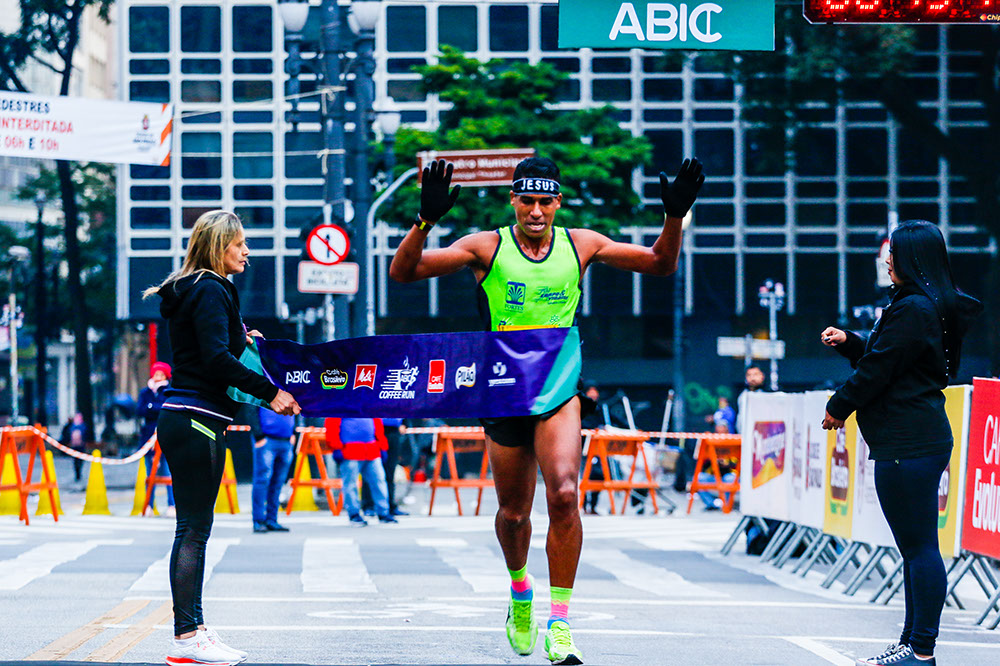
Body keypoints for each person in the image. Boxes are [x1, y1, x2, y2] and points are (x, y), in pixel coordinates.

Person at [390, 155, 703, 665]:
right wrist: (424, 222)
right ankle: (520, 593)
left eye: (546, 201)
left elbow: (660, 264)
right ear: (513, 200)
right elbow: (404, 273)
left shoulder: (581, 244)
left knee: (563, 494)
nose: (536, 211)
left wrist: (674, 216)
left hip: (558, 388)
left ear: (558, 202)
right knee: (514, 515)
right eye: (527, 201)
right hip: (503, 391)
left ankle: (559, 622)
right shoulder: (486, 246)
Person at [143, 209, 300, 666]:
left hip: (186, 417)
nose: (247, 251)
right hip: (195, 417)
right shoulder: (213, 287)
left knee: (192, 529)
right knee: (193, 530)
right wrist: (272, 394)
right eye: (239, 243)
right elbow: (213, 359)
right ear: (218, 246)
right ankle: (187, 638)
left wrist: (241, 337)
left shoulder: (192, 289)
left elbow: (207, 347)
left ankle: (193, 632)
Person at [821, 220, 981, 666]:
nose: (886, 260)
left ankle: (921, 650)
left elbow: (880, 368)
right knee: (916, 548)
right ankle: (912, 644)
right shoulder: (930, 304)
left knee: (920, 548)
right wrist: (853, 341)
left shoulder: (913, 307)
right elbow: (891, 353)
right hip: (916, 435)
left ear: (910, 258)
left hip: (908, 439)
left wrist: (840, 405)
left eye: (892, 252)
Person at [324, 417, 397, 526]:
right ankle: (354, 513)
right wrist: (336, 447)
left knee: (379, 481)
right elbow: (332, 425)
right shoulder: (339, 404)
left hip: (371, 450)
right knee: (351, 484)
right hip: (350, 450)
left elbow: (377, 424)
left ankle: (383, 512)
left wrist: (382, 446)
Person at [247, 405, 294, 533]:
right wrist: (258, 436)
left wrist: (294, 433)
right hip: (267, 439)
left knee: (277, 482)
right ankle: (259, 520)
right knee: (262, 480)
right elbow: (251, 409)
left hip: (285, 440)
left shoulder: (288, 385)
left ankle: (271, 519)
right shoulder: (262, 385)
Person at [137, 361, 174, 514]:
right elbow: (140, 410)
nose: (158, 377)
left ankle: (172, 505)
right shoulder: (145, 392)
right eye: (156, 374)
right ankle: (149, 506)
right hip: (148, 438)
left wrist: (151, 407)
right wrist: (154, 407)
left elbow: (165, 408)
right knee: (149, 474)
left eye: (161, 374)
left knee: (168, 473)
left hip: (166, 436)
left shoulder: (169, 391)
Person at [580, 384, 605, 515]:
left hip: (598, 448)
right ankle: (583, 505)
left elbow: (613, 419)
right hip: (583, 448)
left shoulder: (600, 409)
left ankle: (594, 505)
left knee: (598, 475)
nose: (594, 395)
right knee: (584, 476)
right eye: (591, 392)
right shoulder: (581, 408)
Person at [60, 412, 90, 483]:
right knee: (79, 460)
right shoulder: (82, 426)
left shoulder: (72, 426)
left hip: (75, 446)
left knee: (76, 460)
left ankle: (77, 473)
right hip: (80, 445)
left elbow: (67, 434)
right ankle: (78, 473)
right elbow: (86, 434)